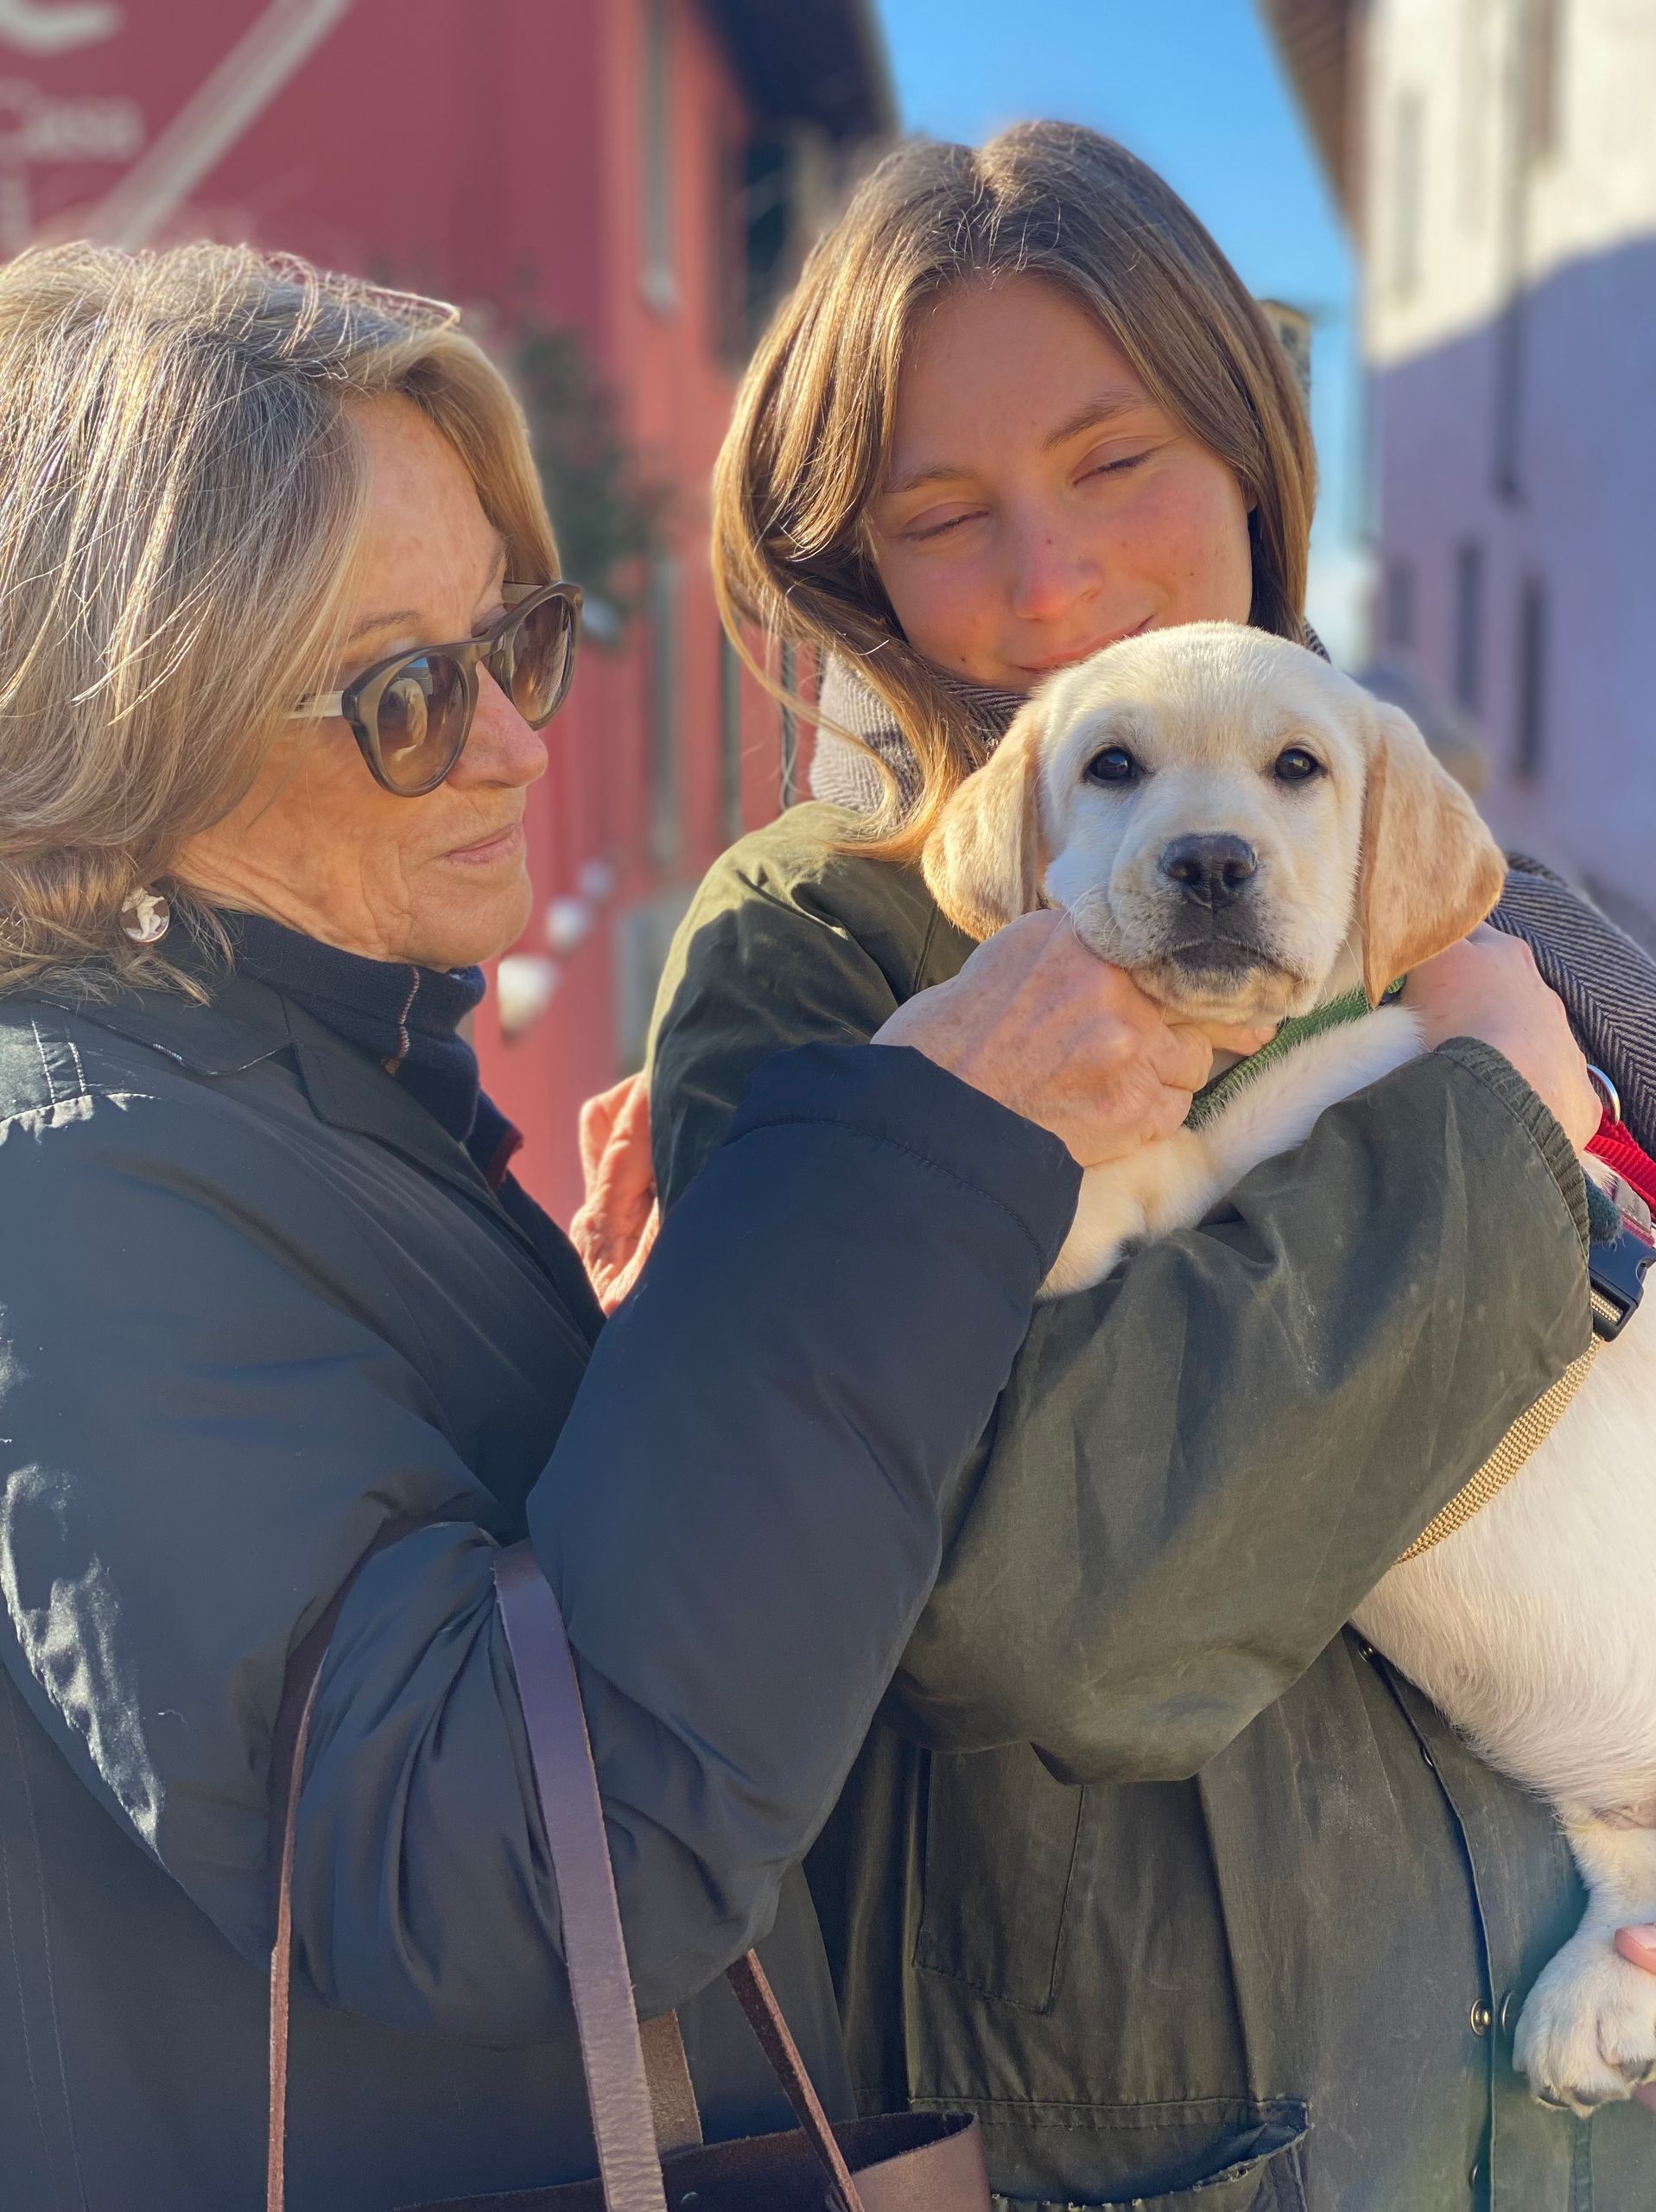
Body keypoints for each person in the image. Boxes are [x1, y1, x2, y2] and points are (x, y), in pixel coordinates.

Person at [0, 239, 1275, 2212]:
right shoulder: (73, 1186)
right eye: (403, 696)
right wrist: (933, 1132)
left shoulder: (300, 1097)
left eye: (510, 642)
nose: (517, 743)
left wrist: (627, 1369)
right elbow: (513, 1865)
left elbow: (484, 1626)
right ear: (131, 741)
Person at [640, 126, 1656, 2206]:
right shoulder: (815, 951)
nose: (1049, 579)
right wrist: (1489, 1123)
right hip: (1197, 2137)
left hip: (1558, 2100)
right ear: (856, 570)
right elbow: (1051, 1603)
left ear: (1257, 457)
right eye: (942, 515)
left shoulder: (1453, 888)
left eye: (1118, 461)